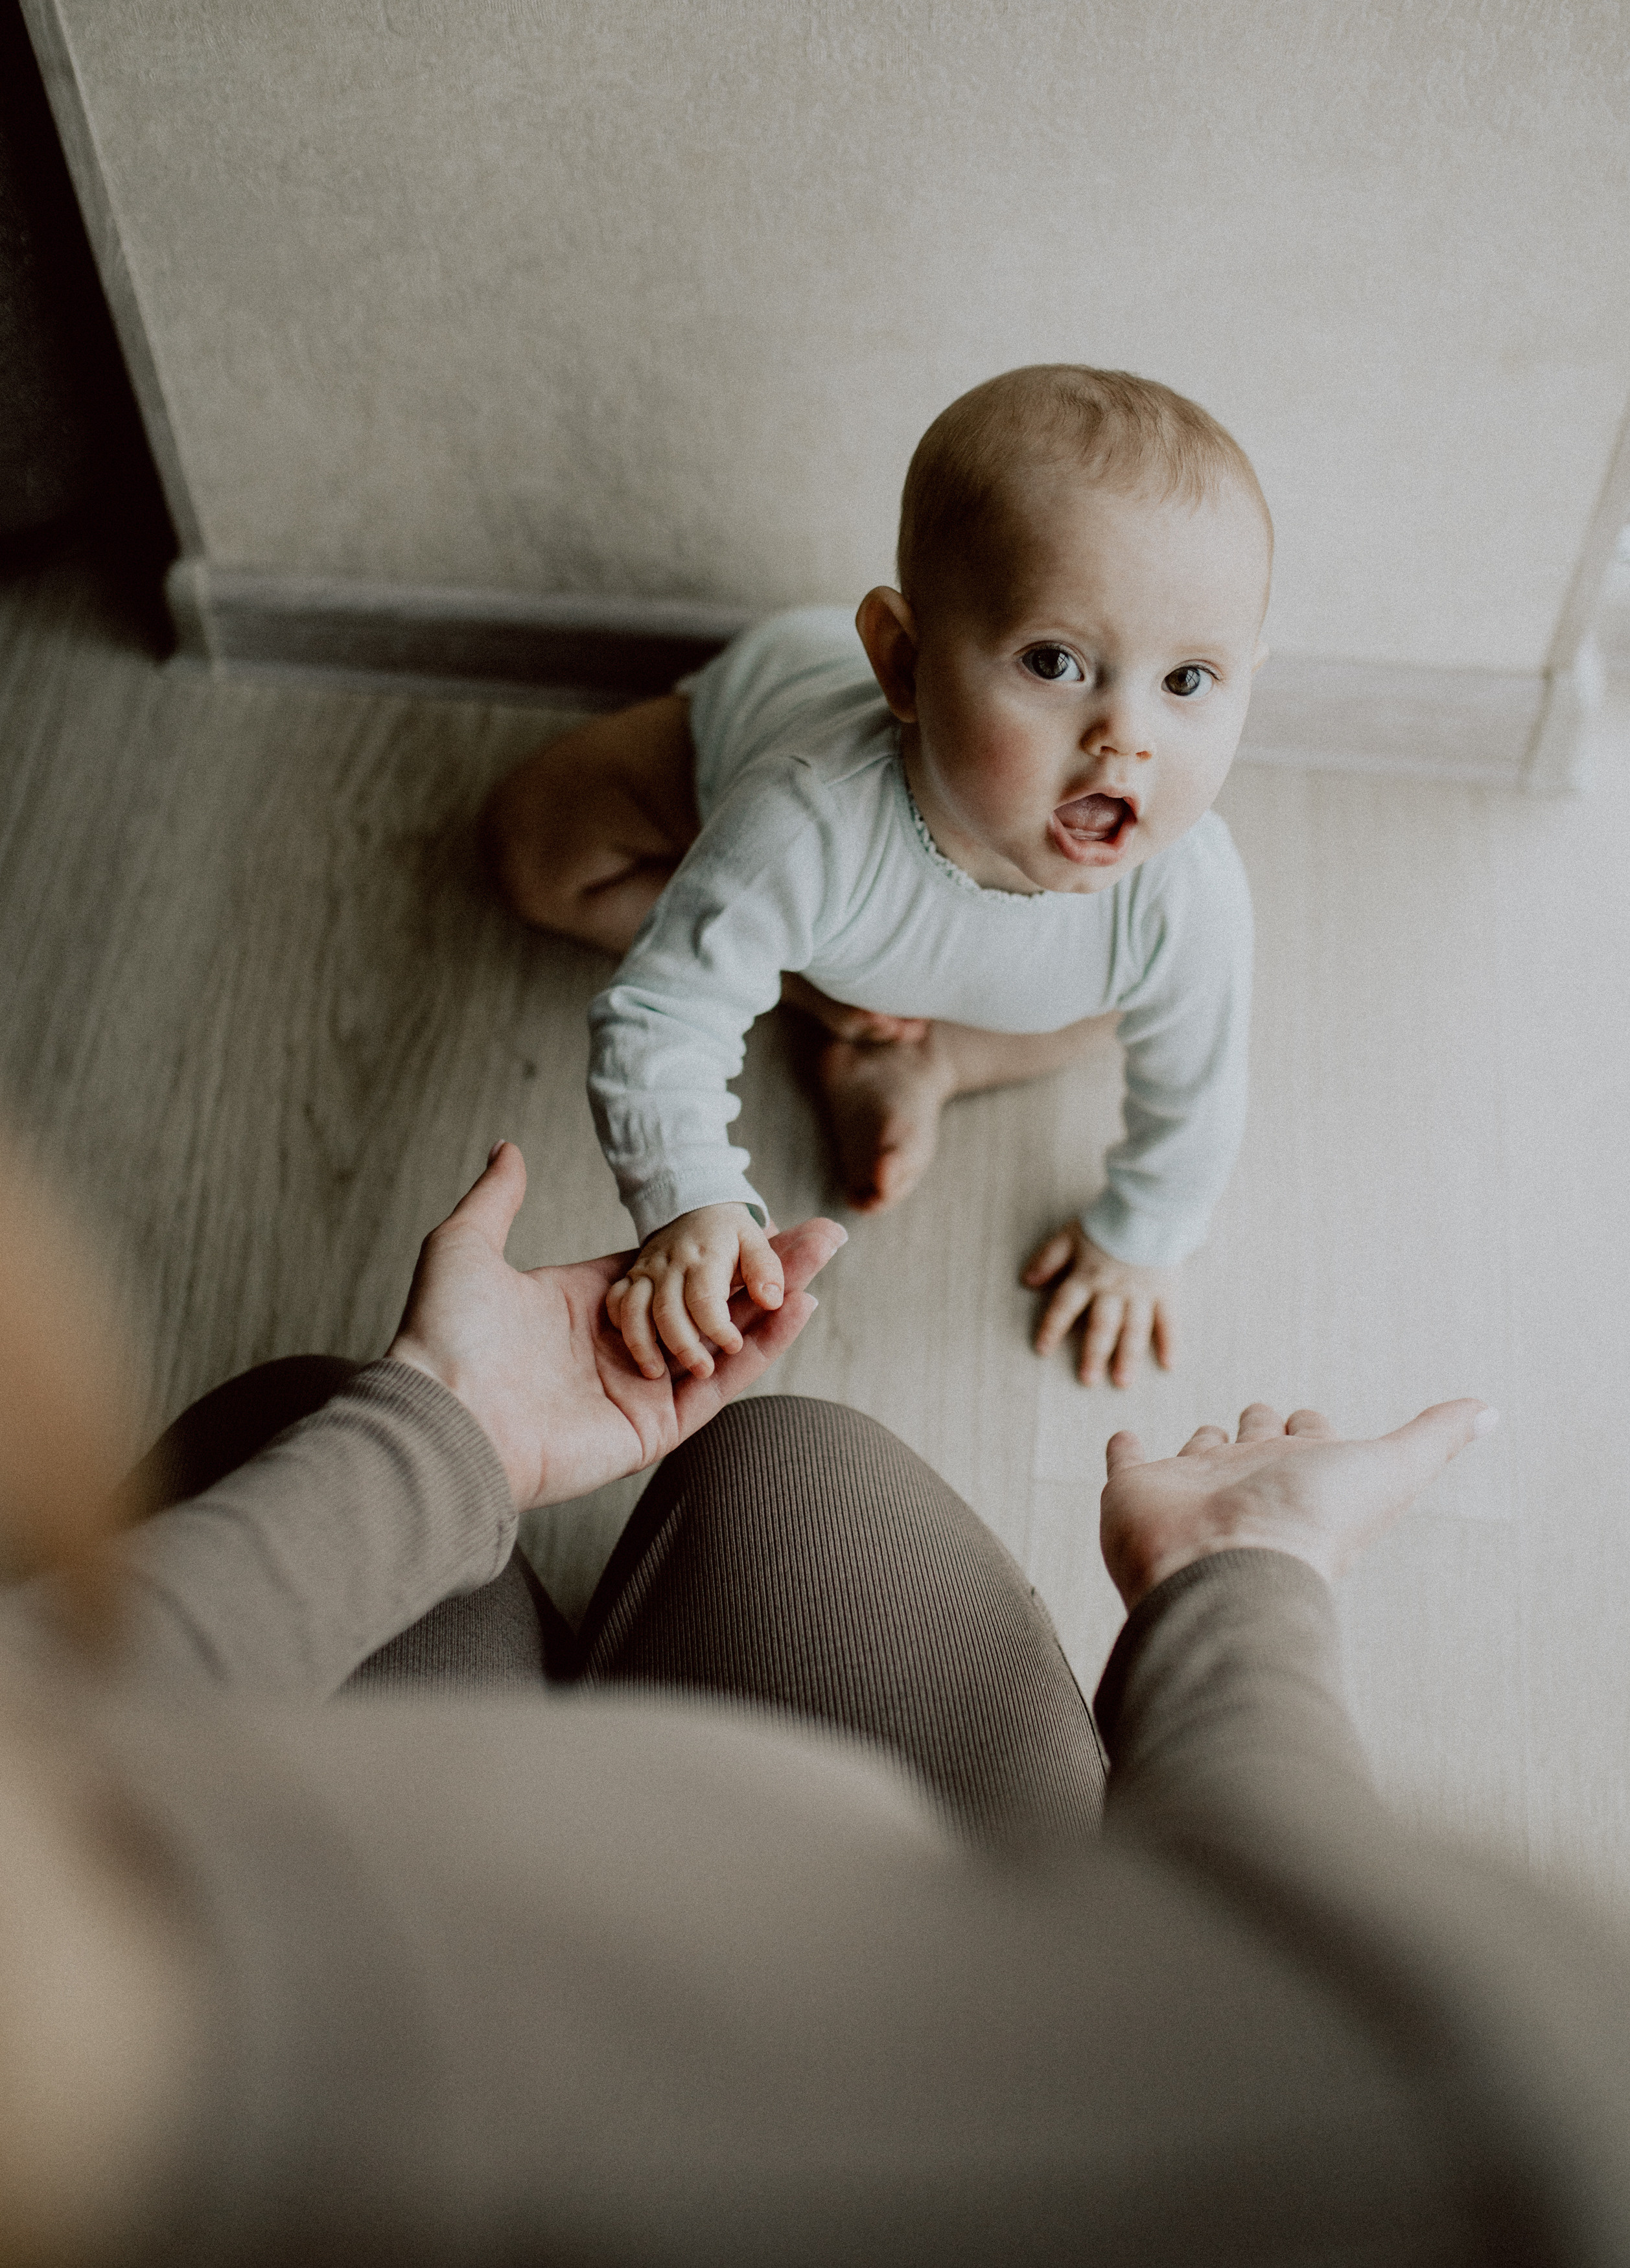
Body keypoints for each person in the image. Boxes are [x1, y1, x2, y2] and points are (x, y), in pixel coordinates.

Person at [5, 1137, 1630, 2266]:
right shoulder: (1453, 2132)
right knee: (794, 1468)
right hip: (947, 2003)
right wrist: (1243, 1573)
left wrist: (449, 1427)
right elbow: (1422, 2006)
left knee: (327, 1423)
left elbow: (54, 1728)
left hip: (216, 1872)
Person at [482, 365, 1268, 1391]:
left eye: (1187, 681)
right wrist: (692, 1196)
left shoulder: (1186, 893)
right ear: (902, 663)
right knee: (533, 851)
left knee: (1133, 1014)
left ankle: (925, 1063)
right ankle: (813, 995)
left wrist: (1141, 1237)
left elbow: (1199, 1089)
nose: (1128, 737)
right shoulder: (804, 818)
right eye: (1054, 663)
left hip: (956, 976)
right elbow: (661, 1016)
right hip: (742, 762)